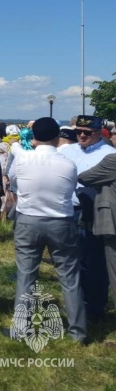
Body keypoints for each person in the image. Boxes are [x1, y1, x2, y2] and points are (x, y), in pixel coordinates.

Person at [4, 117, 87, 343]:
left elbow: (13, 181)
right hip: (61, 220)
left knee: (26, 275)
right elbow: (70, 188)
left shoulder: (23, 161)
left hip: (29, 219)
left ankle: (21, 327)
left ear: (34, 137)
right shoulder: (68, 163)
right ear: (57, 137)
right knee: (70, 276)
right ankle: (78, 331)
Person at [58, 114, 116, 322]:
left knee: (94, 260)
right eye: (78, 132)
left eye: (87, 133)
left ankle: (95, 306)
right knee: (70, 260)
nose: (82, 136)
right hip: (67, 210)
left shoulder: (108, 154)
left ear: (99, 133)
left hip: (92, 213)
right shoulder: (66, 151)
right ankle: (76, 303)